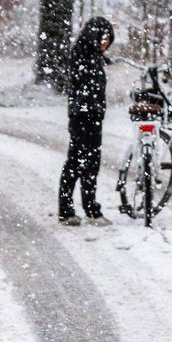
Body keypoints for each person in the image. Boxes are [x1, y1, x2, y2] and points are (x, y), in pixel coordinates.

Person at [59, 16, 116, 226]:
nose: (105, 43)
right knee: (84, 163)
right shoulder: (85, 57)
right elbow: (86, 87)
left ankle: (70, 209)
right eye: (103, 38)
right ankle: (89, 209)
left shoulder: (86, 55)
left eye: (108, 39)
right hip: (85, 117)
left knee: (78, 162)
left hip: (86, 116)